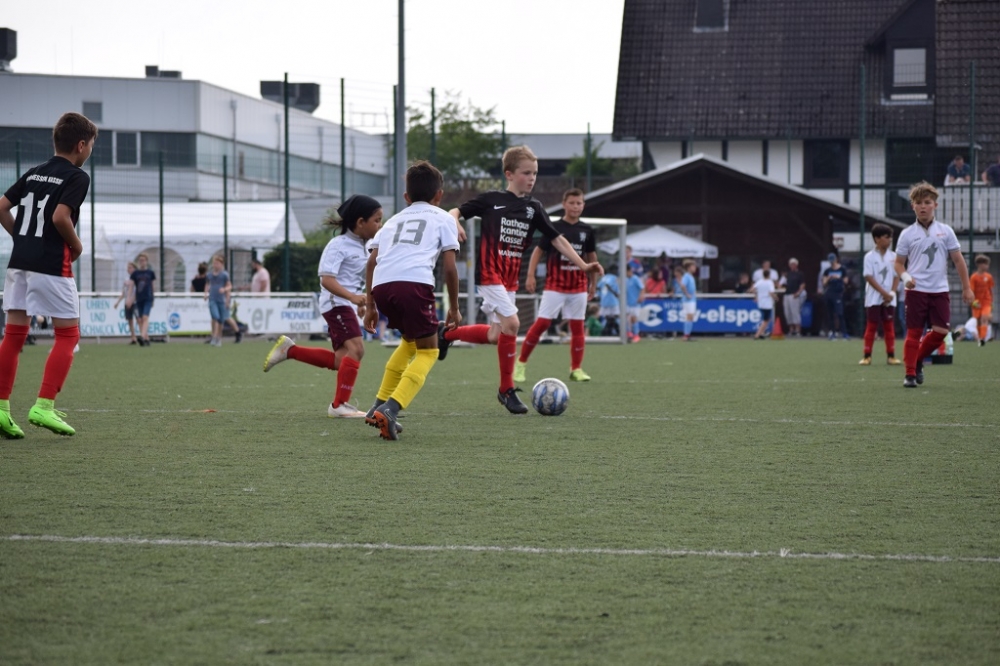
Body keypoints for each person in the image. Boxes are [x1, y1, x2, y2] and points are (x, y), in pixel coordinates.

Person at [441, 146, 602, 414]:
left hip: (509, 280)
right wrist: (455, 221)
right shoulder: (492, 199)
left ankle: (446, 334)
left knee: (496, 334)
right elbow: (453, 211)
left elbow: (557, 239)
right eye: (526, 173)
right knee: (514, 323)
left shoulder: (534, 208)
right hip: (489, 275)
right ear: (509, 174)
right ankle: (506, 389)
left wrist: (584, 265)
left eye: (534, 173)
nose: (532, 178)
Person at [0, 112, 97, 438]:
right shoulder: (77, 177)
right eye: (91, 145)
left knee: (13, 336)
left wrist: (22, 239)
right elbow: (59, 217)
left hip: (19, 262)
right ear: (81, 145)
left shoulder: (34, 173)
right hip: (52, 265)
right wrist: (77, 245)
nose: (90, 151)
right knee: (68, 335)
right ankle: (44, 405)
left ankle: (1, 409)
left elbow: (1, 207)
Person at [361, 160, 460, 440]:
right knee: (429, 351)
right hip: (413, 285)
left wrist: (370, 305)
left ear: (406, 196)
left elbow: (371, 262)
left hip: (382, 286)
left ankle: (378, 406)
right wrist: (454, 307)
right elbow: (450, 268)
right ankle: (391, 409)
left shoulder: (393, 221)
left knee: (409, 342)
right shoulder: (444, 218)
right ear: (439, 195)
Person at [263, 195, 382, 418]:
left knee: (341, 360)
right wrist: (352, 298)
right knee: (357, 349)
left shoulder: (364, 247)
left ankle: (290, 351)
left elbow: (351, 278)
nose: (380, 225)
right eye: (377, 220)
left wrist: (357, 301)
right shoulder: (338, 245)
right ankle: (339, 405)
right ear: (360, 222)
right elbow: (327, 280)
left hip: (344, 304)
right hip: (336, 303)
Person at [894, 181, 974, 388]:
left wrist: (966, 287)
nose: (923, 206)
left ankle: (917, 360)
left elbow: (958, 260)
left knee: (941, 332)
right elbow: (898, 264)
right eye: (919, 203)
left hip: (939, 291)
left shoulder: (946, 231)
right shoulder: (907, 234)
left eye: (927, 202)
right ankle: (910, 375)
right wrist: (906, 277)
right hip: (915, 291)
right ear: (912, 206)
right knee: (913, 333)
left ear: (935, 205)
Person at [516, 188, 597, 383]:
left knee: (577, 327)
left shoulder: (587, 231)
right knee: (542, 324)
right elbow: (538, 251)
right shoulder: (553, 227)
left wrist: (593, 283)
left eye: (579, 203)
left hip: (578, 286)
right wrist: (530, 275)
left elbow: (591, 258)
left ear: (583, 205)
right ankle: (520, 363)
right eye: (572, 203)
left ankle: (576, 369)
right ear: (564, 204)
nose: (575, 206)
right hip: (555, 286)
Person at [859, 224, 902, 365]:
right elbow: (868, 276)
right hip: (874, 298)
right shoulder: (869, 257)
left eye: (890, 237)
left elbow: (897, 275)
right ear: (877, 239)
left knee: (889, 327)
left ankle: (891, 356)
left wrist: (891, 293)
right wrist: (884, 293)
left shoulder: (894, 256)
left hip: (889, 298)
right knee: (871, 326)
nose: (890, 240)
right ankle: (867, 356)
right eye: (886, 237)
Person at [203, 254, 243, 346]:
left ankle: (219, 338)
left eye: (217, 263)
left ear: (221, 264)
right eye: (214, 263)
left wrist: (225, 294)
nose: (215, 265)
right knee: (215, 316)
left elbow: (229, 286)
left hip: (222, 300)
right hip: (212, 298)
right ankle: (214, 336)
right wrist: (205, 294)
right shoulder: (209, 275)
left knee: (222, 319)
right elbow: (207, 284)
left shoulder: (224, 275)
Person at [130, 253, 156, 346]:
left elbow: (152, 286)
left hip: (147, 298)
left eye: (143, 260)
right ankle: (146, 338)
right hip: (139, 299)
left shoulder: (150, 273)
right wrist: (129, 298)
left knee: (145, 317)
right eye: (140, 260)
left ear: (146, 261)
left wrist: (153, 298)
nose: (142, 262)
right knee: (140, 319)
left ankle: (141, 336)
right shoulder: (135, 274)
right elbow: (131, 287)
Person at [822, 252, 849, 340]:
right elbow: (824, 283)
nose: (832, 262)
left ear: (836, 260)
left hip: (838, 294)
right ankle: (832, 333)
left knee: (840, 313)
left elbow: (846, 281)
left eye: (833, 260)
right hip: (829, 293)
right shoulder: (827, 271)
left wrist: (838, 277)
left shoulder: (842, 269)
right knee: (830, 314)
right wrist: (829, 278)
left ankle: (844, 333)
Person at [970, 254, 994, 347]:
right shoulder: (974, 277)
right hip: (977, 303)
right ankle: (980, 338)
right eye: (986, 264)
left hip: (986, 302)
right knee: (979, 321)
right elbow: (971, 291)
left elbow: (990, 290)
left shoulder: (989, 277)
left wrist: (991, 303)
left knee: (984, 318)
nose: (988, 266)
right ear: (980, 264)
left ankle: (983, 338)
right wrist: (973, 302)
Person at [113, 261, 139, 345]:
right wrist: (117, 302)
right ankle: (133, 337)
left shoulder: (137, 278)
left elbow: (137, 291)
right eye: (128, 268)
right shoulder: (126, 280)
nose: (128, 269)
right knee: (130, 320)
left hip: (135, 302)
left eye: (130, 267)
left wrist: (132, 299)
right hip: (127, 302)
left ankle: (143, 335)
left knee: (139, 319)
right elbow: (124, 292)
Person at [747, 268, 776, 340]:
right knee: (766, 320)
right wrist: (776, 298)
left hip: (761, 303)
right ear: (769, 275)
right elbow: (771, 292)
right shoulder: (770, 282)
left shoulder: (759, 282)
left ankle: (762, 333)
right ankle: (757, 335)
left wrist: (756, 296)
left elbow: (751, 290)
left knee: (766, 319)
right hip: (767, 304)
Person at [782, 258, 806, 336]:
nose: (792, 266)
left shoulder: (800, 274)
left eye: (793, 264)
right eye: (791, 264)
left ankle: (798, 330)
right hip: (787, 294)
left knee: (795, 312)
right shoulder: (788, 274)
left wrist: (798, 293)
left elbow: (802, 284)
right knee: (787, 312)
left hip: (794, 294)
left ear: (796, 265)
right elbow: (781, 283)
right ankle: (791, 329)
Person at [676, 260, 698, 341]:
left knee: (691, 316)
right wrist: (687, 294)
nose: (695, 268)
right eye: (693, 266)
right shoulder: (686, 276)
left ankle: (688, 334)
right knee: (689, 316)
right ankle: (686, 335)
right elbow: (682, 285)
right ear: (689, 268)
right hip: (688, 300)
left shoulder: (690, 276)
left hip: (692, 299)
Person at [596, 266, 620, 336]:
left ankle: (606, 332)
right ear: (613, 270)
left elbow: (598, 287)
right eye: (616, 270)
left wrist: (600, 296)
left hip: (604, 301)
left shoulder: (603, 278)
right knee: (616, 316)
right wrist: (615, 293)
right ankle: (617, 332)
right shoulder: (614, 277)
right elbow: (610, 286)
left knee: (607, 318)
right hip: (612, 300)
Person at [625, 263, 646, 342]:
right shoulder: (625, 279)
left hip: (635, 302)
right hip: (627, 302)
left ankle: (636, 335)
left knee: (634, 318)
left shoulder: (635, 278)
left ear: (629, 271)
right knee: (626, 319)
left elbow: (642, 288)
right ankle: (629, 333)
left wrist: (641, 296)